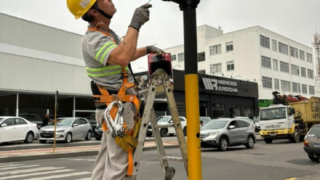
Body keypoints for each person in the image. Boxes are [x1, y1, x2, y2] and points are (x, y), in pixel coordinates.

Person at [67, 0, 164, 179]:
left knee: (106, 160)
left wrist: (147, 49)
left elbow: (124, 53)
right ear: (94, 11)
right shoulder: (94, 39)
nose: (109, 0)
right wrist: (135, 23)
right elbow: (122, 56)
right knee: (119, 166)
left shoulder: (105, 34)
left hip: (114, 107)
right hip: (117, 107)